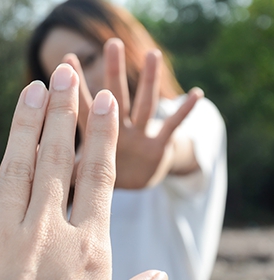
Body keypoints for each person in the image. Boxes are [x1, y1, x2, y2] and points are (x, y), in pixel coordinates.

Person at [26, 0, 227, 280]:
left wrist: (158, 155)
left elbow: (178, 145)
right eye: (63, 77)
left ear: (125, 43)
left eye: (89, 60)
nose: (80, 84)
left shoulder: (191, 115)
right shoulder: (65, 165)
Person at [0, 64, 168, 280]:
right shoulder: (48, 177)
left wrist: (162, 152)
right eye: (48, 75)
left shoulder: (173, 111)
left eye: (88, 58)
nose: (80, 83)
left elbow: (188, 143)